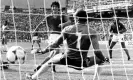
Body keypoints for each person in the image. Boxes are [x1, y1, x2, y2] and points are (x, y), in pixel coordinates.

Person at [27, 9, 109, 80]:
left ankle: (33, 77)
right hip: (82, 62)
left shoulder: (67, 29)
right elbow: (97, 52)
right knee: (101, 59)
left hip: (66, 59)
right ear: (86, 18)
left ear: (76, 18)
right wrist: (104, 59)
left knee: (51, 61)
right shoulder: (92, 31)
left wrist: (43, 51)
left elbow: (55, 44)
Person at [33, 1, 73, 72]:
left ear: (58, 8)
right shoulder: (48, 17)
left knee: (54, 54)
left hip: (60, 36)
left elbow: (70, 22)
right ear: (51, 8)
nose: (54, 8)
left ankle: (46, 67)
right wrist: (35, 30)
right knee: (55, 52)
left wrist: (63, 24)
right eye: (53, 7)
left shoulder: (62, 16)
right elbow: (41, 23)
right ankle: (41, 66)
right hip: (52, 36)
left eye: (56, 7)